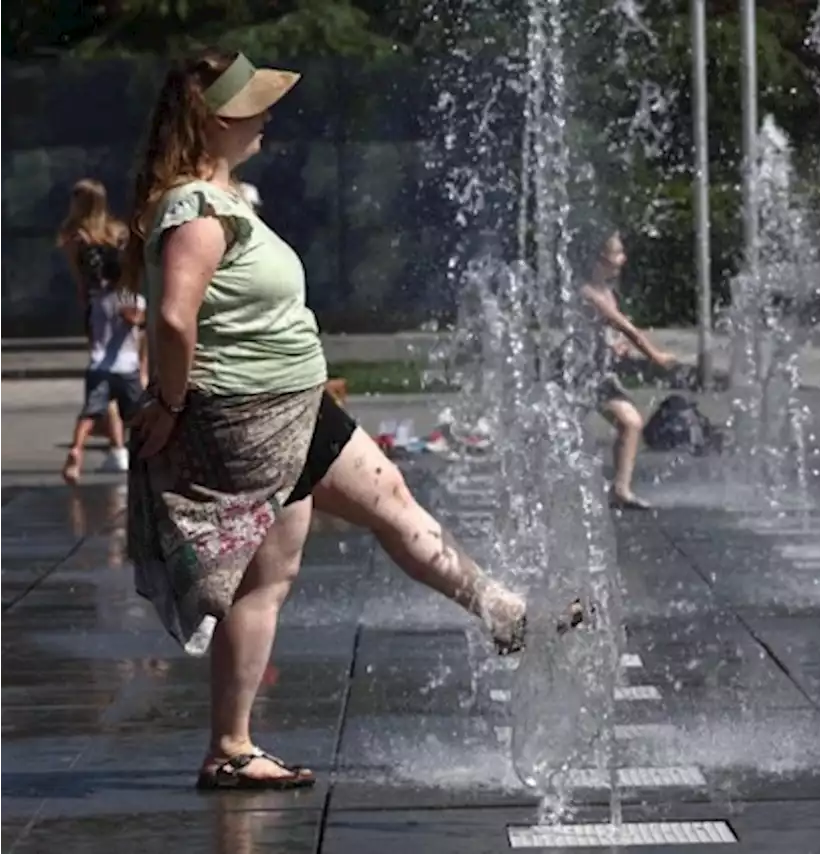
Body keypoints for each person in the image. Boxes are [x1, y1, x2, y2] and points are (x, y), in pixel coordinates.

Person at [122, 48, 581, 792]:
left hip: (292, 406)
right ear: (215, 121)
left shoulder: (226, 198)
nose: (268, 119)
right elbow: (174, 320)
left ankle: (499, 611)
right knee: (268, 578)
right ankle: (230, 747)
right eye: (254, 108)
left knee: (386, 503)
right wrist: (171, 405)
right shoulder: (196, 210)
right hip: (249, 417)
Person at [572, 229, 677, 509]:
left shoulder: (607, 292)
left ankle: (620, 490)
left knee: (630, 423)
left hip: (598, 374)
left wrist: (616, 346)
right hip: (576, 375)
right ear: (600, 258)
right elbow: (625, 327)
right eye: (617, 253)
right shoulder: (588, 293)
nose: (623, 258)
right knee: (561, 433)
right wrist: (654, 355)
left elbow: (612, 334)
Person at [57, 179, 132, 465]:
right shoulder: (117, 232)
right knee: (131, 369)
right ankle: (126, 443)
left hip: (98, 306)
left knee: (103, 371)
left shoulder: (74, 236)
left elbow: (80, 280)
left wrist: (85, 308)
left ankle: (116, 448)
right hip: (125, 304)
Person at [60, 267, 148, 484]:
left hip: (98, 366)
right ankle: (144, 457)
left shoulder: (96, 300)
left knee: (90, 412)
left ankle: (77, 449)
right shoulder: (133, 299)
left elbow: (90, 331)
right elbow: (138, 320)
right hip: (126, 367)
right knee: (138, 416)